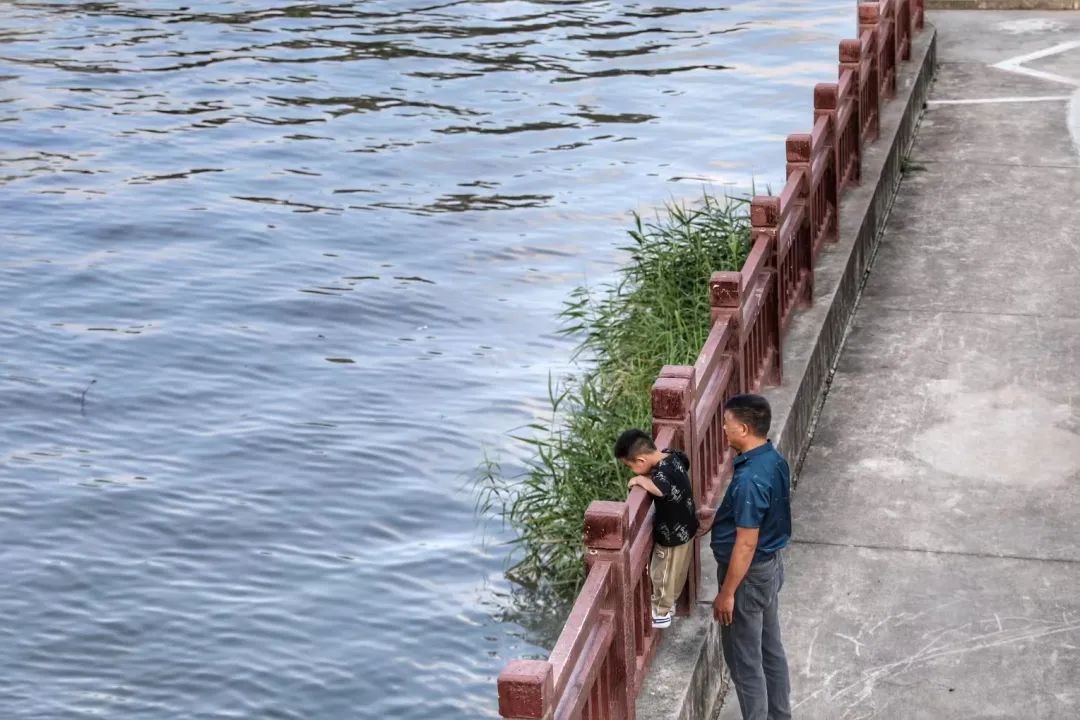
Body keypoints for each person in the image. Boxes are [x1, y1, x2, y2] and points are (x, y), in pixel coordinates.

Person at [698, 394, 792, 720]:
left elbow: (746, 544)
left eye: (726, 424)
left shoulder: (750, 478)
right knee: (770, 650)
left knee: (745, 661)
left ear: (743, 428)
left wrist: (727, 593)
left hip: (747, 577)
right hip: (770, 567)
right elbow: (762, 516)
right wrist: (721, 517)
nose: (723, 429)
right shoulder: (772, 459)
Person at [613, 428, 697, 628]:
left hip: (671, 536)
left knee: (662, 572)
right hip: (687, 528)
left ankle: (661, 613)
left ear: (641, 460)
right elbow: (685, 461)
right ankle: (670, 603)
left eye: (630, 467)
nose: (631, 472)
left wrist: (641, 480)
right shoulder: (671, 456)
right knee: (677, 571)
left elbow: (660, 488)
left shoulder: (660, 475)